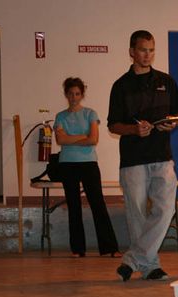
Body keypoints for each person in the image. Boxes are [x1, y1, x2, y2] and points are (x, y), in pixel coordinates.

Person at [108, 30, 178, 281]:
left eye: (151, 50)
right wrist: (133, 129)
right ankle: (151, 265)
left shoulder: (166, 81)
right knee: (137, 214)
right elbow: (112, 125)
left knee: (165, 210)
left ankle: (132, 259)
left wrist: (171, 124)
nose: (147, 55)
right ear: (132, 52)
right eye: (143, 50)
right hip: (132, 160)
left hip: (162, 155)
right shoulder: (120, 86)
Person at [54, 77, 120, 258]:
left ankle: (109, 248)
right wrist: (82, 136)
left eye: (77, 94)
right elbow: (60, 140)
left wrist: (71, 137)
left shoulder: (91, 113)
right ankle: (78, 249)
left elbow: (93, 139)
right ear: (66, 95)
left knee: (97, 203)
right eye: (70, 94)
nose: (74, 97)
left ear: (82, 94)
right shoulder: (60, 116)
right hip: (67, 165)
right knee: (73, 206)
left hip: (89, 164)